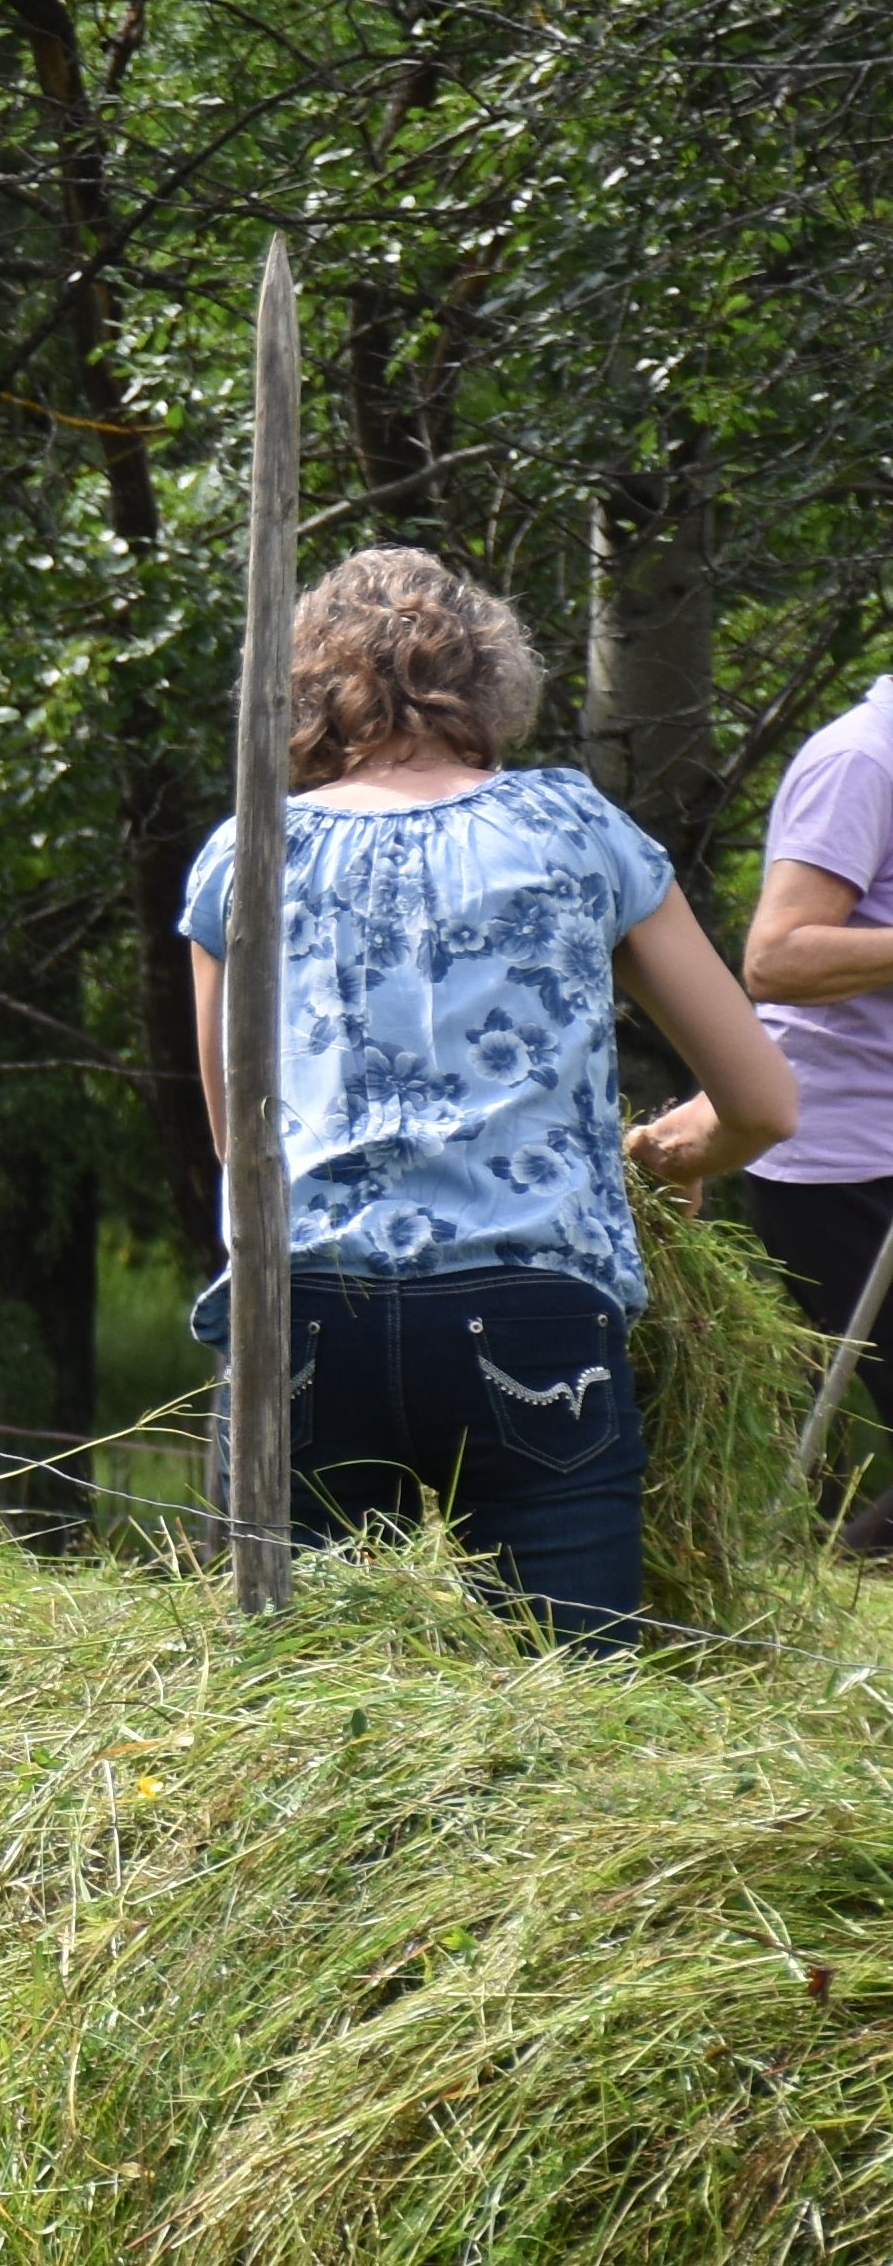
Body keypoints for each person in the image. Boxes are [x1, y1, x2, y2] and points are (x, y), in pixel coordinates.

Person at [178, 547, 791, 1650]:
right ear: (492, 679)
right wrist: (669, 1153)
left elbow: (239, 1140)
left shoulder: (248, 853)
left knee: (299, 1705)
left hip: (300, 1314)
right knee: (572, 1706)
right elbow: (763, 1103)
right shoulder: (573, 831)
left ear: (305, 691)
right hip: (532, 1314)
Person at [736, 665, 893, 1552]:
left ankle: (837, 1580)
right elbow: (779, 957)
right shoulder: (863, 761)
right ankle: (820, 1586)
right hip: (844, 1162)